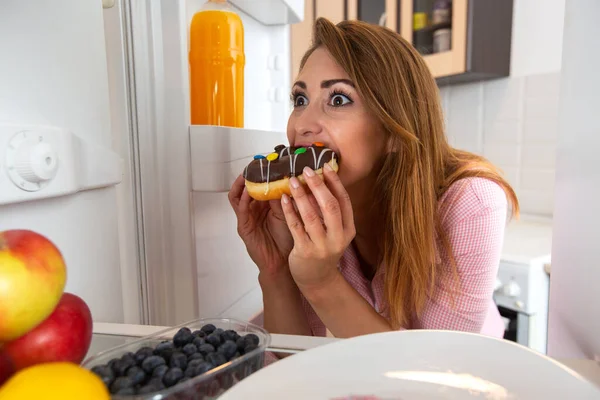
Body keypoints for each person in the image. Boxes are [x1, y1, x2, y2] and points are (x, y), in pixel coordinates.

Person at [228, 17, 518, 340]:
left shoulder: (472, 204)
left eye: (338, 99)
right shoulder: (310, 216)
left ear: (394, 131)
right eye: (300, 100)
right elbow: (291, 371)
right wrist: (275, 270)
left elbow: (432, 376)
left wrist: (321, 282)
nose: (302, 125)